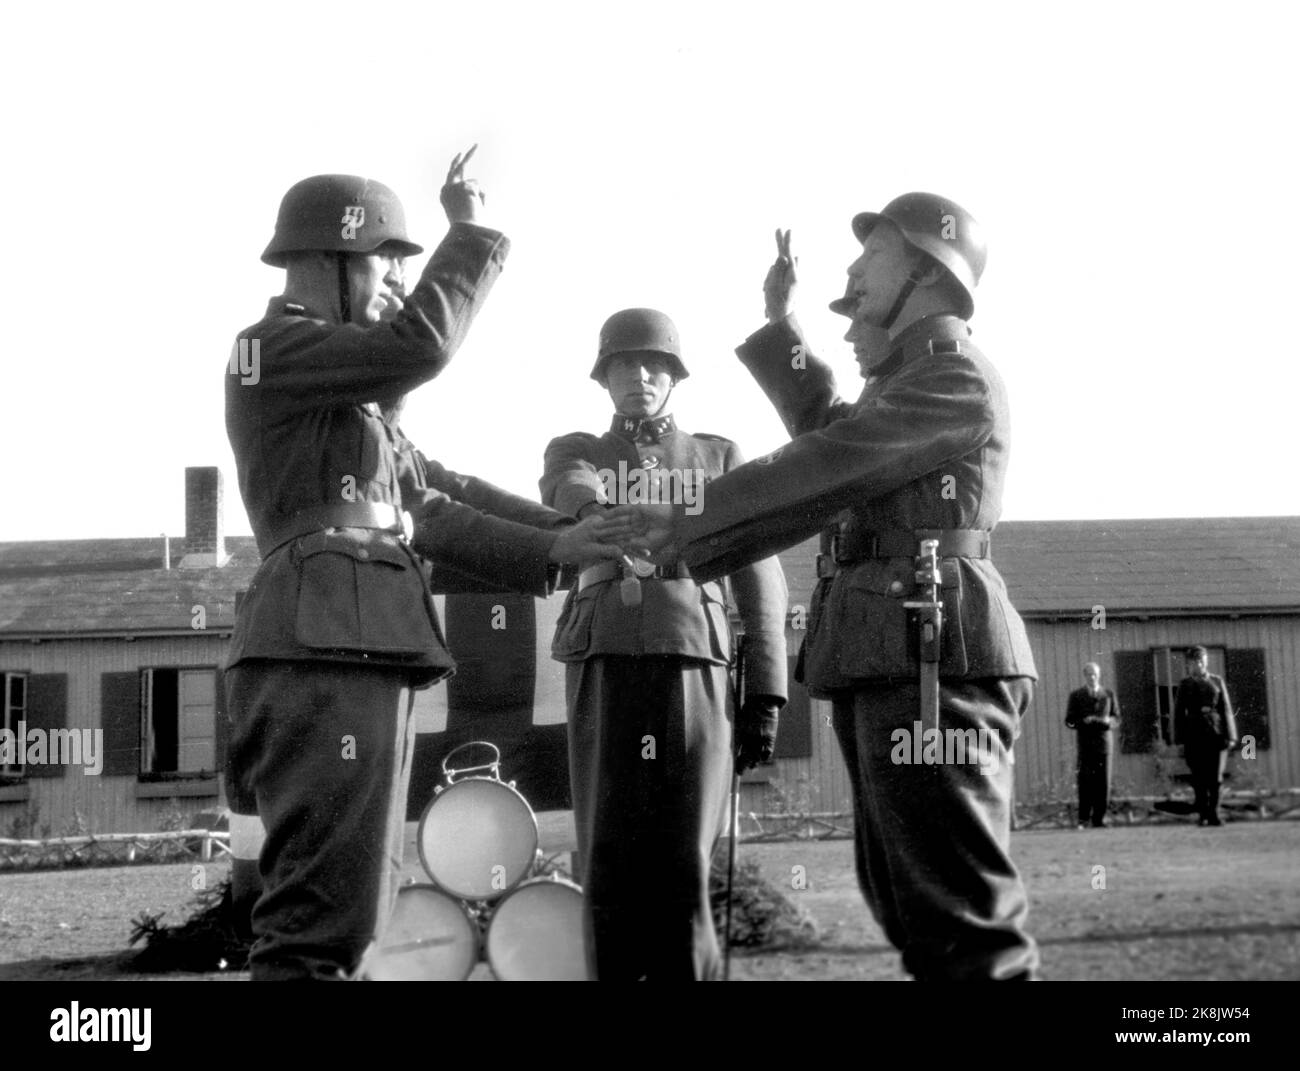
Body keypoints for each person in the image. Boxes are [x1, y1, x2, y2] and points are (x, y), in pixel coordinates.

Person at [225, 153, 631, 981]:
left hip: (354, 643)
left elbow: (435, 494)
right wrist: (468, 232)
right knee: (318, 921)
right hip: (323, 643)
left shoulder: (345, 398)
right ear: (331, 259)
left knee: (360, 911)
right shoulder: (269, 348)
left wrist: (565, 537)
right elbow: (421, 344)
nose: (396, 282)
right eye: (388, 261)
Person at [618, 195, 1041, 981]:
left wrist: (685, 519)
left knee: (964, 928)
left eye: (872, 253)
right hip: (900, 653)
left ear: (927, 270)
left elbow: (828, 460)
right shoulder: (910, 384)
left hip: (932, 658)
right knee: (913, 908)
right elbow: (833, 433)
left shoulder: (955, 379)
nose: (849, 272)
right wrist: (781, 326)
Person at [540, 307, 789, 980]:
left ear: (675, 376)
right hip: (606, 659)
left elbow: (758, 569)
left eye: (654, 365)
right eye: (624, 364)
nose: (640, 376)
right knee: (607, 857)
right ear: (604, 376)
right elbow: (569, 486)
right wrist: (596, 512)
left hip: (694, 660)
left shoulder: (717, 457)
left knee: (684, 858)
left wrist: (765, 688)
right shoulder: (577, 450)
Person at [1174, 645, 1237, 826]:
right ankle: (1203, 815)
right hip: (1194, 736)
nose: (1198, 665)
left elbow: (1225, 709)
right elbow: (1178, 713)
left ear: (1206, 662)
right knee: (1199, 778)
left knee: (1215, 778)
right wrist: (1179, 740)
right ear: (1189, 664)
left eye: (1201, 661)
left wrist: (1231, 735)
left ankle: (1214, 814)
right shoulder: (1185, 685)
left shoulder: (1217, 681)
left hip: (1216, 735)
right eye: (1194, 662)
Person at [1065, 662, 1121, 828]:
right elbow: (1069, 721)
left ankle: (1100, 819)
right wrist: (1083, 721)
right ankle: (1083, 819)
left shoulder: (1108, 695)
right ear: (1084, 676)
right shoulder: (1076, 696)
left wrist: (1107, 721)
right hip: (1086, 746)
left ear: (1099, 675)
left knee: (1103, 783)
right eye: (1088, 674)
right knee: (1085, 783)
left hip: (1104, 745)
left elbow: (1117, 718)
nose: (1092, 677)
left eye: (1094, 674)